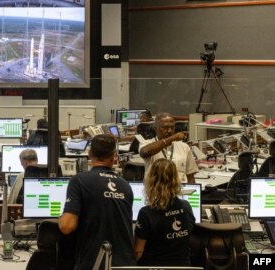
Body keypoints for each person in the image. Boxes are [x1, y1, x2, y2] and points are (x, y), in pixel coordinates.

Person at [59, 134, 135, 270]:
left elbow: (67, 226)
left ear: (89, 154)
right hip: (124, 264)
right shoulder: (125, 186)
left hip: (94, 262)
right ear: (113, 157)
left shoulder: (79, 181)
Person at [134, 159, 195, 266]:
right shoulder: (186, 207)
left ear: (150, 180)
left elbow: (138, 252)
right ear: (175, 179)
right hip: (183, 267)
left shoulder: (146, 213)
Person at [139, 113, 198, 183]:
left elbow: (190, 176)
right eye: (165, 128)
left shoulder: (184, 147)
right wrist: (172, 138)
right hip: (155, 191)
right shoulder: (147, 143)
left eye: (172, 127)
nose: (169, 131)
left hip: (179, 191)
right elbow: (145, 152)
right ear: (155, 128)